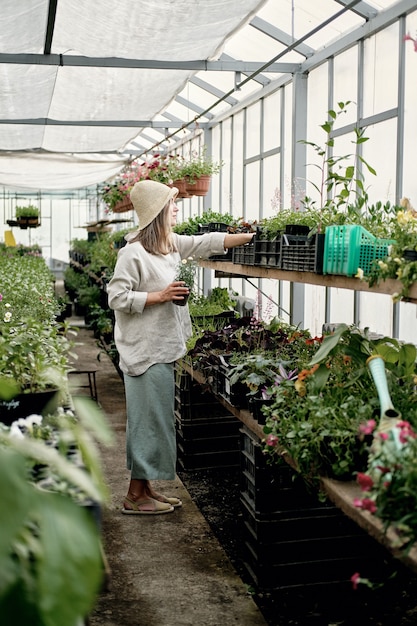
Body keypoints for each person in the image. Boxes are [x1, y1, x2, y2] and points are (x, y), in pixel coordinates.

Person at [107, 179, 254, 515]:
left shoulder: (167, 244)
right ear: (157, 211)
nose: (177, 207)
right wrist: (160, 296)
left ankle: (145, 489)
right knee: (149, 422)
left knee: (153, 420)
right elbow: (115, 296)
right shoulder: (133, 253)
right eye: (171, 203)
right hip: (144, 352)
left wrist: (250, 237)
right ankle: (134, 496)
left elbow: (206, 242)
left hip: (162, 347)